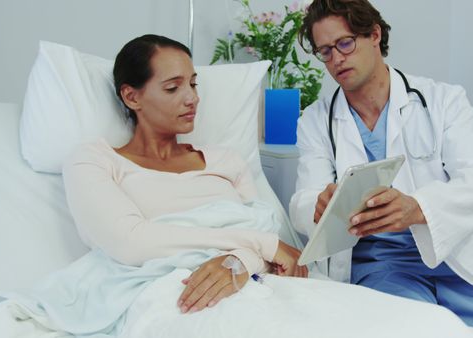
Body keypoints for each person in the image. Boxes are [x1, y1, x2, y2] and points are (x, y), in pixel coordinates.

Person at [290, 1, 473, 337]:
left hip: (454, 258)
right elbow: (301, 201)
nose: (336, 58)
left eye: (345, 43)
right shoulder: (315, 120)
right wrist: (318, 205)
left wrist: (418, 208)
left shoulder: (443, 101)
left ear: (374, 35)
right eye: (325, 51)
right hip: (382, 268)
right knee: (423, 330)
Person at [63, 34, 307, 315]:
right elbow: (131, 243)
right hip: (176, 293)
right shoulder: (94, 161)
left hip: (252, 283)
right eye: (172, 88)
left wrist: (240, 261)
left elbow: (269, 242)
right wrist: (260, 245)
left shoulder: (226, 161)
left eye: (193, 84)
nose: (193, 98)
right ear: (131, 97)